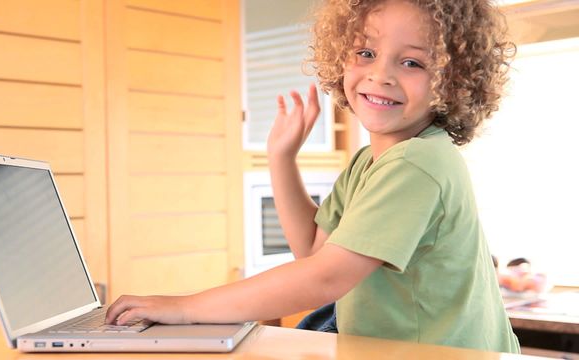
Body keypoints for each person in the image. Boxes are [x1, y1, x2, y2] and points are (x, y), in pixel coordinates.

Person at [106, 0, 519, 353]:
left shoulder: (418, 162)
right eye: (365, 53)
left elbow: (326, 277)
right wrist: (282, 158)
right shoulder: (369, 163)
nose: (381, 75)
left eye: (411, 62)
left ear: (453, 80)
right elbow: (314, 252)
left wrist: (183, 309)